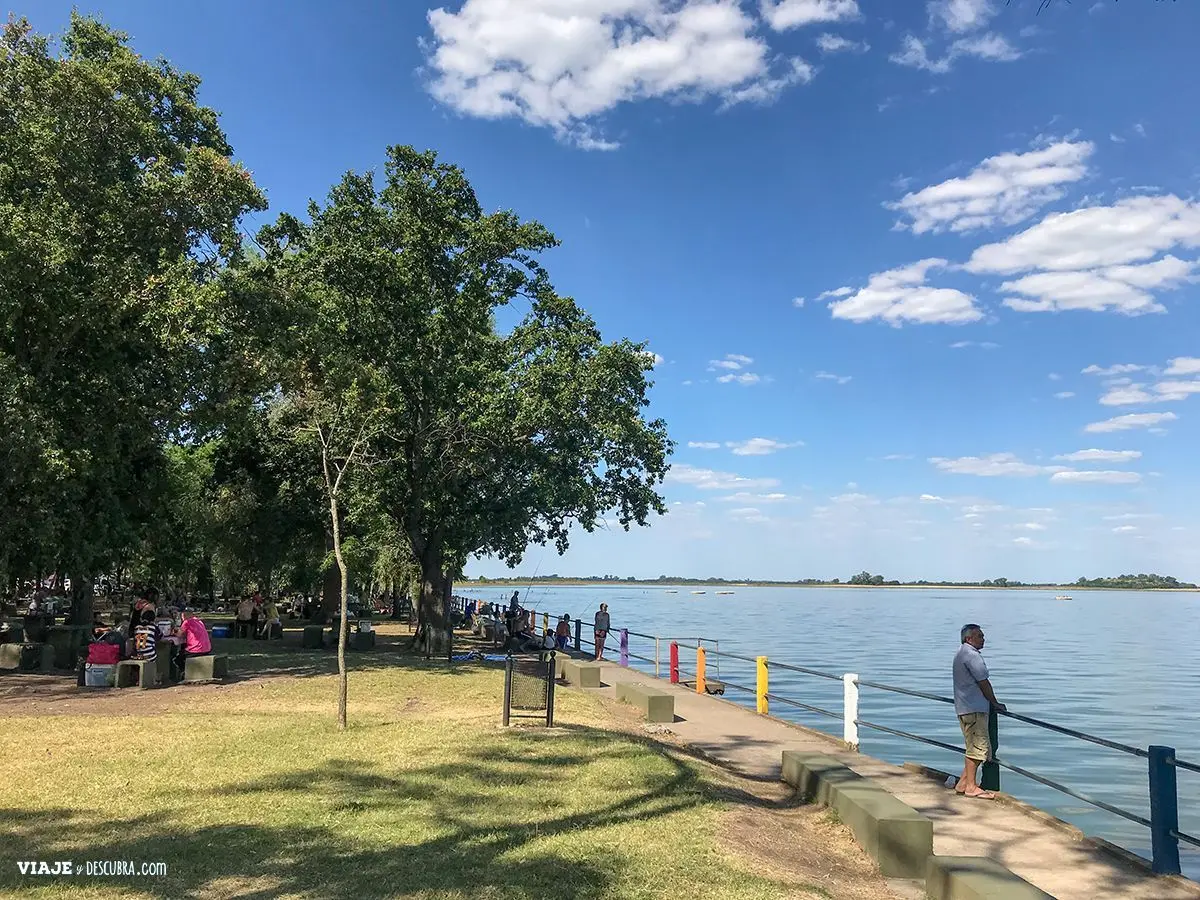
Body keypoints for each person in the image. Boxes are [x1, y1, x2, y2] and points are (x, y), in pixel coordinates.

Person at [953, 623, 1006, 800]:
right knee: (978, 749)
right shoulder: (971, 656)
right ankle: (971, 786)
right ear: (969, 638)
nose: (983, 639)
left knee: (974, 747)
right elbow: (983, 682)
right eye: (979, 636)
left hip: (965, 707)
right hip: (974, 708)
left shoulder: (961, 653)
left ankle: (963, 783)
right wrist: (995, 703)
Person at [174, 609, 212, 682]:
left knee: (177, 658)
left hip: (196, 649)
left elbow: (180, 634)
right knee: (184, 649)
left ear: (184, 616)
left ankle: (184, 672)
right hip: (207, 648)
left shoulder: (187, 622)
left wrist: (174, 631)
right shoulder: (199, 621)